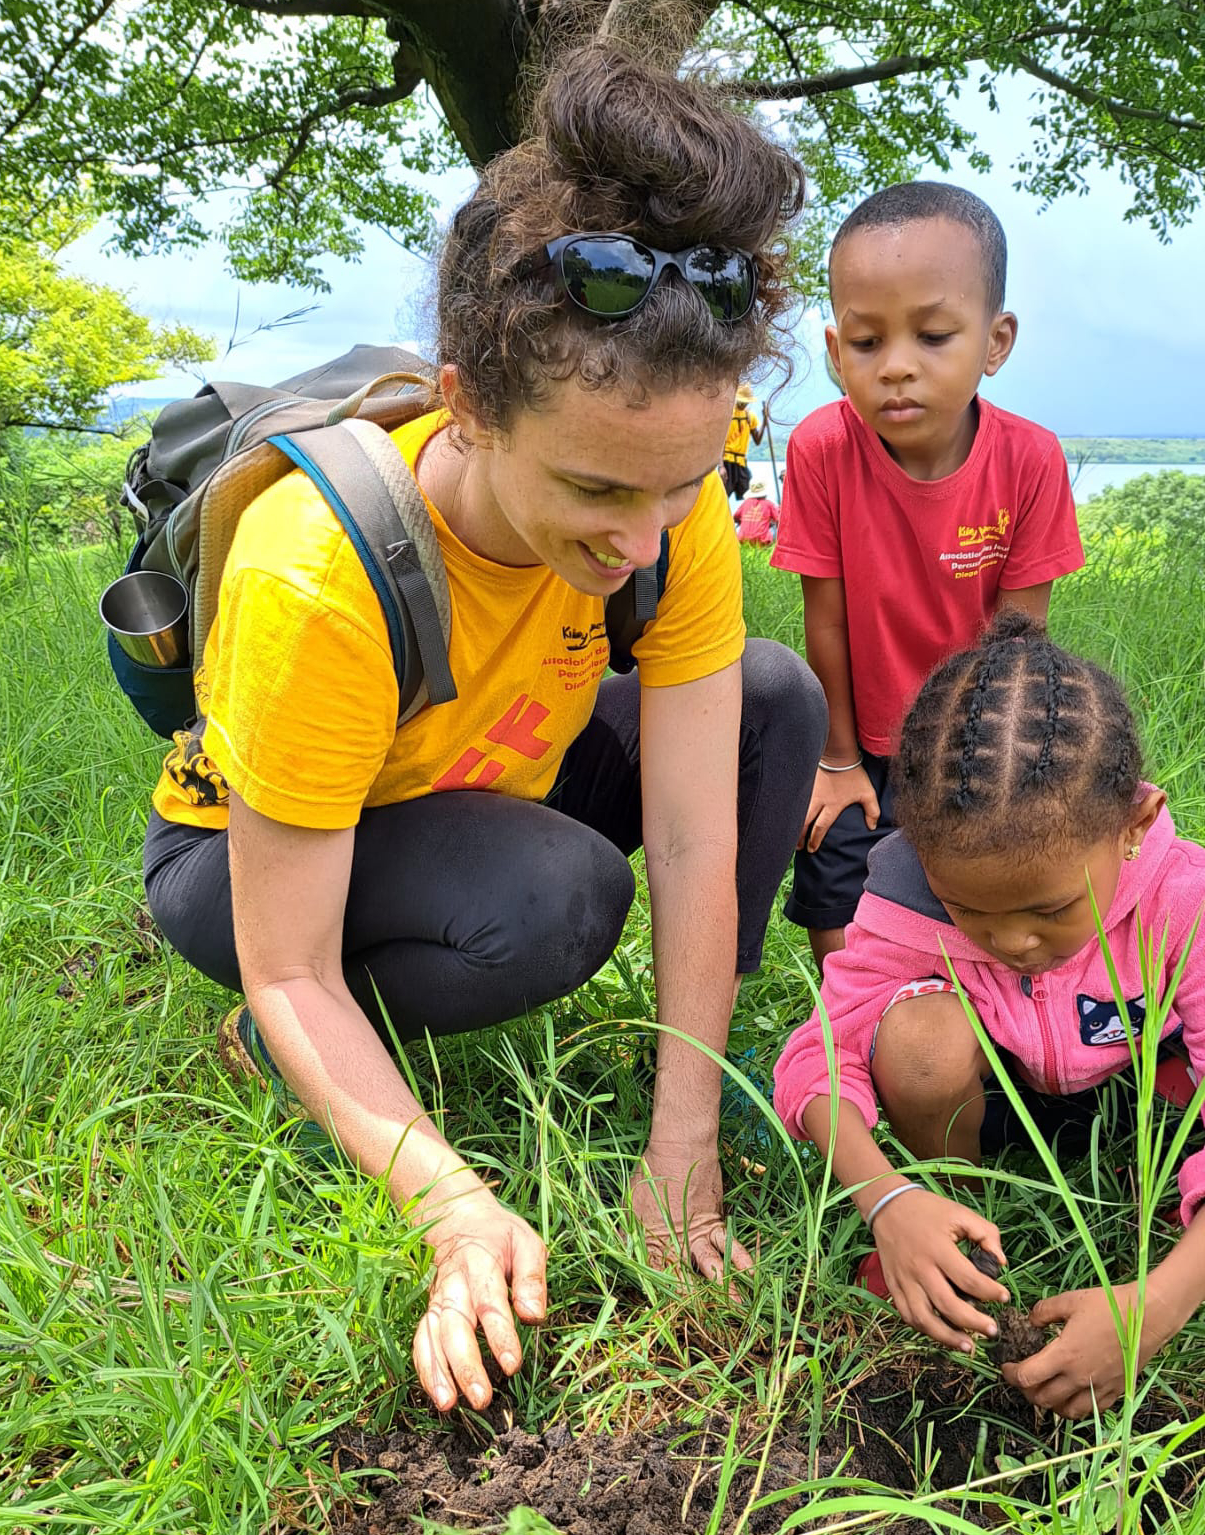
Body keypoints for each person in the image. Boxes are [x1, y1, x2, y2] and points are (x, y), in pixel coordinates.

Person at [142, 47, 825, 1416]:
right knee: (556, 900)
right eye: (590, 487)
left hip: (503, 760)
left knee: (769, 698)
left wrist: (678, 1137)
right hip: (250, 863)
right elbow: (287, 965)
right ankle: (305, 1069)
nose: (645, 534)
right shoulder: (317, 569)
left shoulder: (666, 503)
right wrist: (454, 1207)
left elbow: (697, 831)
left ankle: (693, 1060)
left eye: (681, 485)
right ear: (465, 401)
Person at [772, 613, 1205, 1420]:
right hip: (1001, 1101)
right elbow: (816, 1058)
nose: (1011, 940)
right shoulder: (906, 892)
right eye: (968, 908)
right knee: (919, 1046)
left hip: (1132, 1081)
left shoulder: (1181, 897)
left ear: (1133, 827)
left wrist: (1158, 1301)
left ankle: (1159, 1182)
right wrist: (887, 1199)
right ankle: (951, 1226)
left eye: (1050, 909)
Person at [772, 182, 1084, 975]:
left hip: (971, 734)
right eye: (868, 344)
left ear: (995, 340)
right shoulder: (821, 449)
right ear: (838, 354)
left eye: (935, 335)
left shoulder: (1029, 460)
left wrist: (982, 765)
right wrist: (837, 758)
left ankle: (975, 1019)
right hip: (861, 737)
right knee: (838, 863)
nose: (898, 368)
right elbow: (828, 621)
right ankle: (849, 1030)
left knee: (978, 885)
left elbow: (1021, 643)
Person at [720, 383, 763, 499]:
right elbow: (721, 443)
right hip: (727, 461)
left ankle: (745, 516)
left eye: (746, 402)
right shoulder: (728, 415)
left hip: (741, 462)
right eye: (741, 401)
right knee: (723, 495)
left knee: (748, 494)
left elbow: (757, 441)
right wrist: (721, 466)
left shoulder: (750, 416)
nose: (743, 404)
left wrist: (765, 421)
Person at [734, 479, 779, 545]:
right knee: (773, 529)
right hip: (762, 541)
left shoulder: (745, 503)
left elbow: (735, 517)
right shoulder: (769, 504)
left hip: (743, 540)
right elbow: (779, 520)